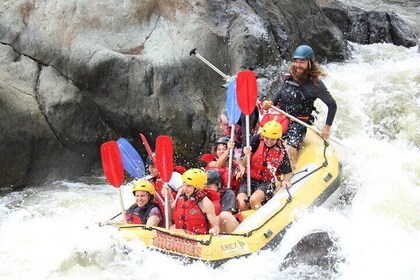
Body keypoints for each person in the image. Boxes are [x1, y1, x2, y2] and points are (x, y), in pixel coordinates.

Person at [262, 45, 337, 170]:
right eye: (296, 61)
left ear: (309, 63)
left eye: (302, 62)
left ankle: (289, 173)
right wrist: (268, 103)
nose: (298, 65)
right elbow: (276, 99)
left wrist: (327, 128)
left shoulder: (316, 85)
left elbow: (332, 105)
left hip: (299, 123)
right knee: (265, 143)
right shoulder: (288, 77)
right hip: (281, 119)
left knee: (289, 149)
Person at [238, 120, 293, 210]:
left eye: (272, 139)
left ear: (277, 138)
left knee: (254, 200)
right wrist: (246, 155)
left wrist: (285, 181)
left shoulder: (281, 150)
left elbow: (288, 172)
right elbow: (243, 164)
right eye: (267, 138)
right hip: (249, 179)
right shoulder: (256, 140)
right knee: (241, 204)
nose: (269, 141)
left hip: (267, 182)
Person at [165, 168, 220, 235]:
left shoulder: (206, 203)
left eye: (188, 186)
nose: (185, 188)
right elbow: (170, 217)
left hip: (197, 238)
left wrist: (214, 230)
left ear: (198, 187)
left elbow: (216, 227)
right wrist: (168, 196)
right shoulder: (181, 194)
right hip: (180, 236)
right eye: (184, 184)